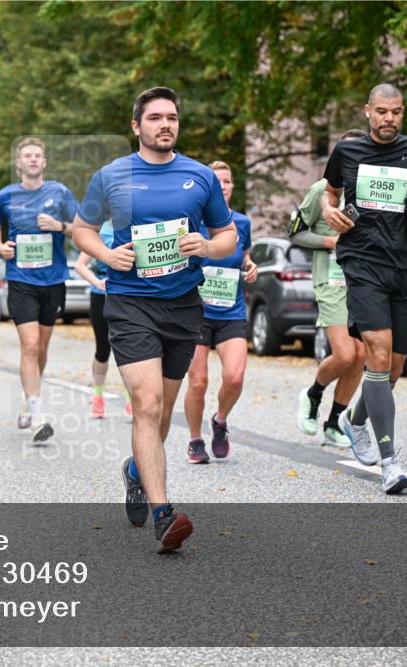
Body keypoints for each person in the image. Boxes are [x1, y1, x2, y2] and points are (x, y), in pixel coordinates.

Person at [72, 87, 237, 552]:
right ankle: (166, 512)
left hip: (183, 304)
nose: (166, 125)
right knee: (145, 405)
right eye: (156, 118)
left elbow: (225, 235)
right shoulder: (112, 176)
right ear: (136, 126)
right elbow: (81, 229)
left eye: (172, 118)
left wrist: (206, 247)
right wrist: (106, 253)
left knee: (161, 414)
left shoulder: (200, 177)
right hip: (129, 303)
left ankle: (134, 469)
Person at [322, 83, 407, 495]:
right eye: (381, 111)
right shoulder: (348, 152)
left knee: (392, 368)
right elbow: (330, 192)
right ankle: (390, 463)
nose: (388, 118)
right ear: (367, 112)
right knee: (376, 350)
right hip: (362, 262)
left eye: (395, 112)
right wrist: (329, 211)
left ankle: (354, 420)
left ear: (403, 113)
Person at [0, 137, 79, 442]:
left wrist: (59, 227)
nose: (34, 160)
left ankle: (28, 396)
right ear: (19, 163)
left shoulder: (60, 192)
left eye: (38, 155)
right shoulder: (6, 196)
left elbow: (82, 226)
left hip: (52, 281)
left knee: (41, 349)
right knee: (29, 345)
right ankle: (38, 416)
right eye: (28, 156)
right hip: (21, 280)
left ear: (45, 162)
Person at [292, 129, 368, 447]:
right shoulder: (321, 189)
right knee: (345, 352)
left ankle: (334, 421)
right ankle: (312, 394)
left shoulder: (370, 191)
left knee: (361, 355)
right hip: (332, 280)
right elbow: (295, 232)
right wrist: (330, 241)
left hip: (363, 282)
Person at [183, 161, 258, 463]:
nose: (223, 185)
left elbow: (245, 257)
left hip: (231, 311)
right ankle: (194, 439)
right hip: (196, 313)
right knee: (198, 382)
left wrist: (250, 267)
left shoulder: (241, 222)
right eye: (217, 181)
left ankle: (220, 420)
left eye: (227, 181)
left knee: (235, 377)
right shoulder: (191, 221)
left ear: (231, 187)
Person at [74, 223, 133, 419]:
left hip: (128, 295)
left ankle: (131, 398)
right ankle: (98, 395)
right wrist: (96, 282)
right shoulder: (100, 231)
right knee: (102, 349)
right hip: (101, 295)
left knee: (131, 349)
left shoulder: (135, 226)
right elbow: (80, 265)